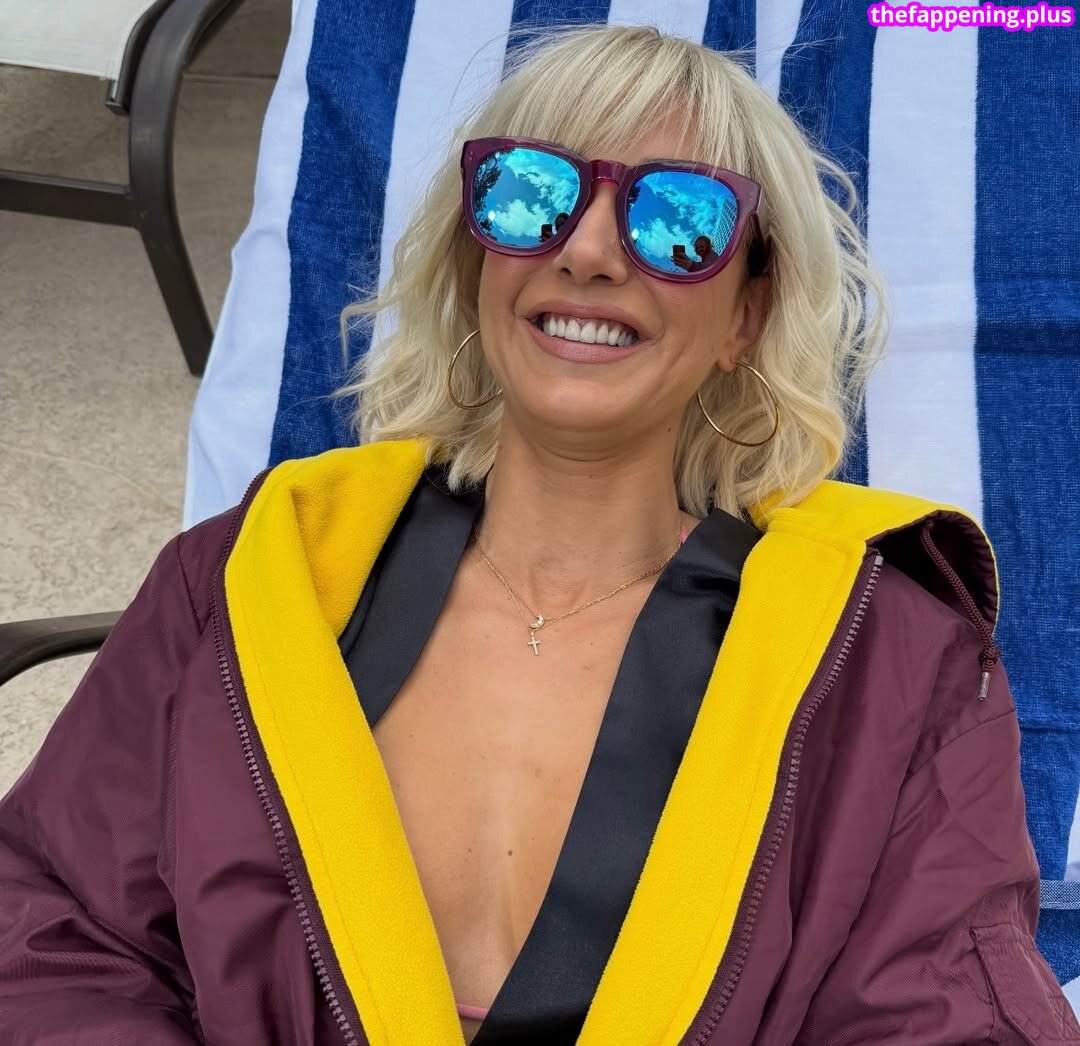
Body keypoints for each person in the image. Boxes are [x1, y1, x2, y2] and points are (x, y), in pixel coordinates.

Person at [1, 24, 1076, 1046]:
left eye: (680, 217)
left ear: (748, 317)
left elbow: (944, 1015)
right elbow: (53, 924)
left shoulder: (885, 659)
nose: (591, 251)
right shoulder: (254, 580)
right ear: (475, 262)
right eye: (531, 194)